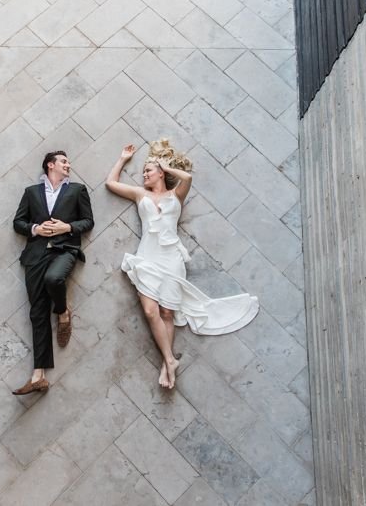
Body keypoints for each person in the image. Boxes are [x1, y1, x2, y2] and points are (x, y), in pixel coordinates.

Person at [106, 140, 259, 389]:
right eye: (143, 171)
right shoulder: (139, 194)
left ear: (162, 173)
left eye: (148, 170)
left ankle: (168, 368)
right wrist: (122, 159)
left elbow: (186, 177)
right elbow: (111, 183)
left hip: (172, 258)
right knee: (149, 311)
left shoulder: (176, 194)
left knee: (167, 312)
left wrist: (165, 164)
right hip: (147, 255)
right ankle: (169, 359)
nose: (144, 174)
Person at [11, 151, 94, 395]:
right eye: (64, 162)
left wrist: (66, 227)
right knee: (37, 314)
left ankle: (62, 311)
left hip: (64, 250)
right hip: (36, 255)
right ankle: (39, 376)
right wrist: (36, 229)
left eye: (68, 162)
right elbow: (18, 223)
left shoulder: (78, 190)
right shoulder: (31, 192)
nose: (68, 165)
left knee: (54, 279)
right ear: (50, 165)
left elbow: (88, 221)